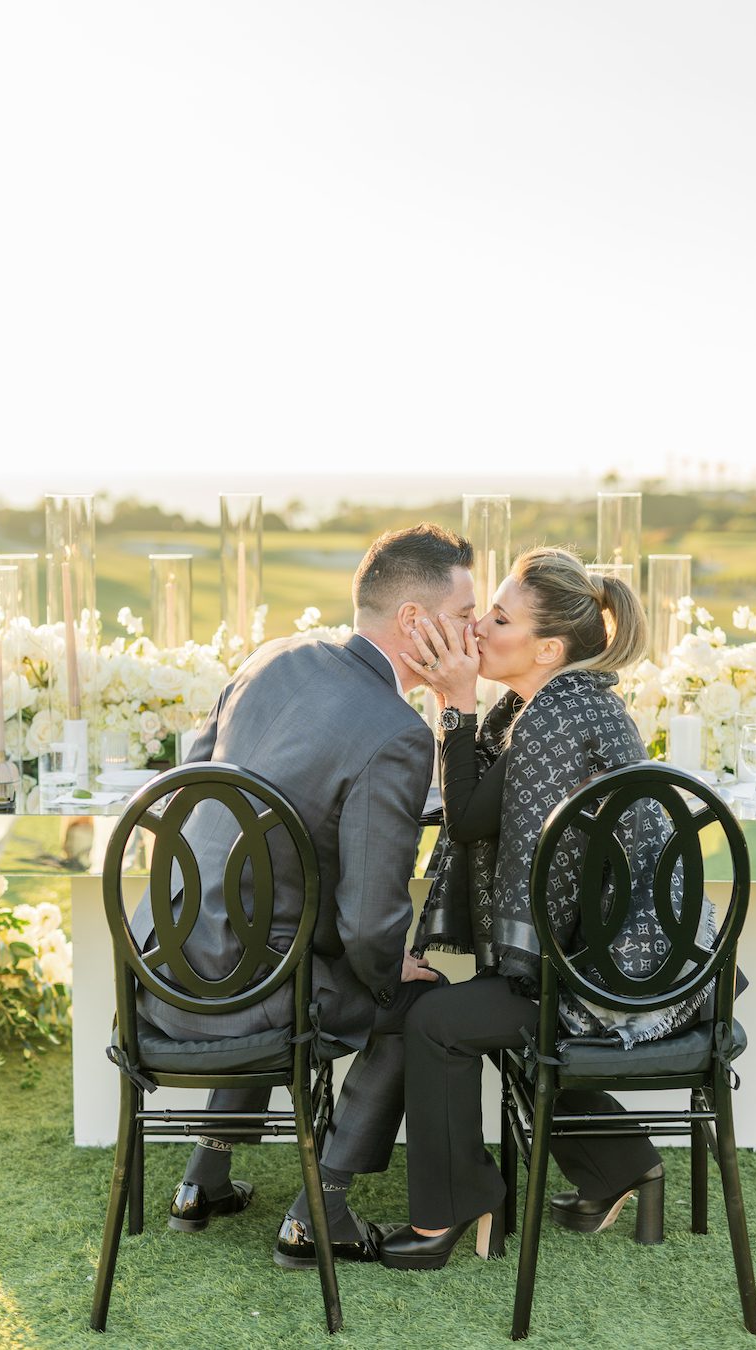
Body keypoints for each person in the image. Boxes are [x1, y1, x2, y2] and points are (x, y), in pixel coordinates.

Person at [129, 523, 476, 1266]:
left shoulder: (269, 658)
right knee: (415, 999)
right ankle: (323, 1211)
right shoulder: (396, 733)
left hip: (160, 979)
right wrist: (392, 972)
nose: (474, 629)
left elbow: (191, 795)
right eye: (465, 613)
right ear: (415, 622)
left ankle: (204, 1181)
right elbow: (369, 920)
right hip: (258, 1002)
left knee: (263, 943)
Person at [380, 547, 717, 1270]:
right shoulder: (558, 705)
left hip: (617, 976)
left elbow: (467, 819)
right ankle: (622, 1165)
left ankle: (450, 1213)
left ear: (549, 648)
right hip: (624, 954)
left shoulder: (557, 723)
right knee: (480, 1014)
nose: (477, 632)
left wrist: (454, 706)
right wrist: (465, 711)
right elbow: (481, 814)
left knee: (440, 1020)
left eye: (497, 619)